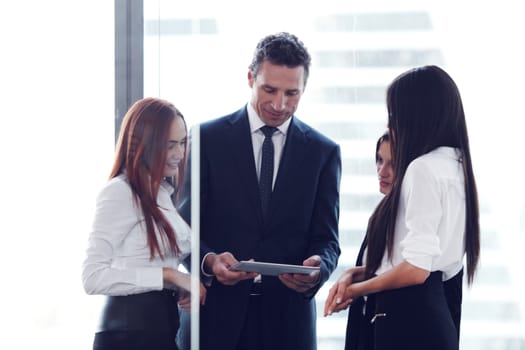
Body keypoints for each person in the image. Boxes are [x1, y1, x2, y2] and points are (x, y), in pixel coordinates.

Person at [178, 32, 341, 350]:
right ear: (251, 77)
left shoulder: (323, 152)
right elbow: (182, 228)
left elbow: (328, 240)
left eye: (292, 93)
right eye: (270, 90)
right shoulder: (205, 139)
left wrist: (318, 268)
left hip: (288, 323)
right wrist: (209, 261)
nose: (280, 104)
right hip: (215, 319)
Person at [324, 65, 480, 350]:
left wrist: (357, 290)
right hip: (436, 314)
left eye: (394, 115)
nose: (390, 125)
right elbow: (417, 263)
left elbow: (416, 270)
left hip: (408, 315)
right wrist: (352, 276)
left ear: (416, 115)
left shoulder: (422, 169)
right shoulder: (457, 164)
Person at [82, 97, 206, 350]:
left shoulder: (162, 192)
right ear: (144, 144)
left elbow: (148, 262)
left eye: (182, 143)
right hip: (128, 335)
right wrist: (168, 276)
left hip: (159, 330)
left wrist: (174, 284)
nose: (180, 154)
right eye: (170, 145)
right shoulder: (120, 191)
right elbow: (92, 277)